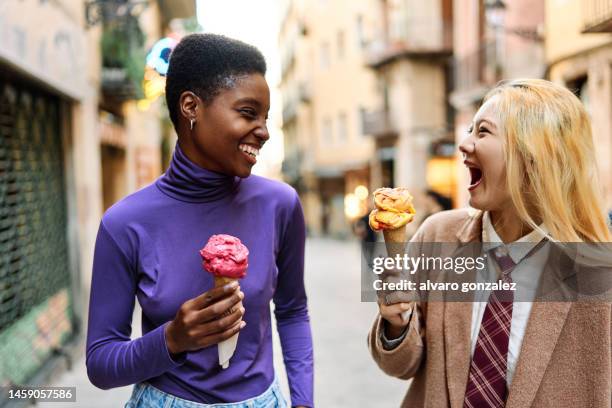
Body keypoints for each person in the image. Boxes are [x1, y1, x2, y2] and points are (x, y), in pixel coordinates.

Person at [86, 33, 313, 408]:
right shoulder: (124, 223)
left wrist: (304, 402)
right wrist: (172, 339)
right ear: (191, 106)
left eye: (266, 117)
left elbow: (293, 312)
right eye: (247, 112)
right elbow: (100, 363)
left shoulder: (281, 204)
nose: (265, 131)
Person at [368, 79, 611, 407]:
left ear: (535, 153)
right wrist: (397, 324)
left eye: (482, 131)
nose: (464, 143)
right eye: (469, 129)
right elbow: (400, 364)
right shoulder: (437, 236)